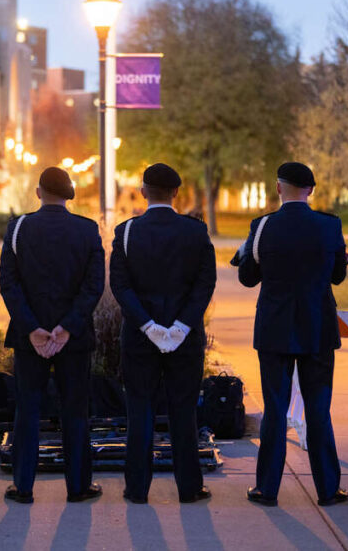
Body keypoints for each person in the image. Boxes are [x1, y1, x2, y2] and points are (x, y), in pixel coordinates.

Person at [235, 162, 348, 508]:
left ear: (278, 188)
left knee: (275, 409)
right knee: (318, 409)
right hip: (317, 326)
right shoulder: (330, 225)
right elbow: (337, 277)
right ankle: (328, 489)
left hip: (275, 328)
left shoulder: (262, 226)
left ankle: (267, 489)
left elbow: (247, 278)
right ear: (311, 191)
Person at [111, 163, 216, 505]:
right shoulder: (195, 232)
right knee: (183, 412)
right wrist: (182, 326)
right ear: (175, 193)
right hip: (184, 338)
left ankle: (137, 488)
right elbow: (205, 284)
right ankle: (189, 487)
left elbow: (120, 287)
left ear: (143, 191)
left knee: (139, 411)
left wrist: (147, 325)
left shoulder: (126, 232)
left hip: (140, 338)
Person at [0, 167, 105, 504]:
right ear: (68, 195)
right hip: (73, 339)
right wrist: (67, 328)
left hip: (30, 338)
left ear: (38, 192)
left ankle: (23, 486)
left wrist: (33, 328)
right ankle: (78, 486)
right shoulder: (87, 231)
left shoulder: (17, 229)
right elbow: (93, 287)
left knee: (27, 411)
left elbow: (9, 284)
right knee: (75, 411)